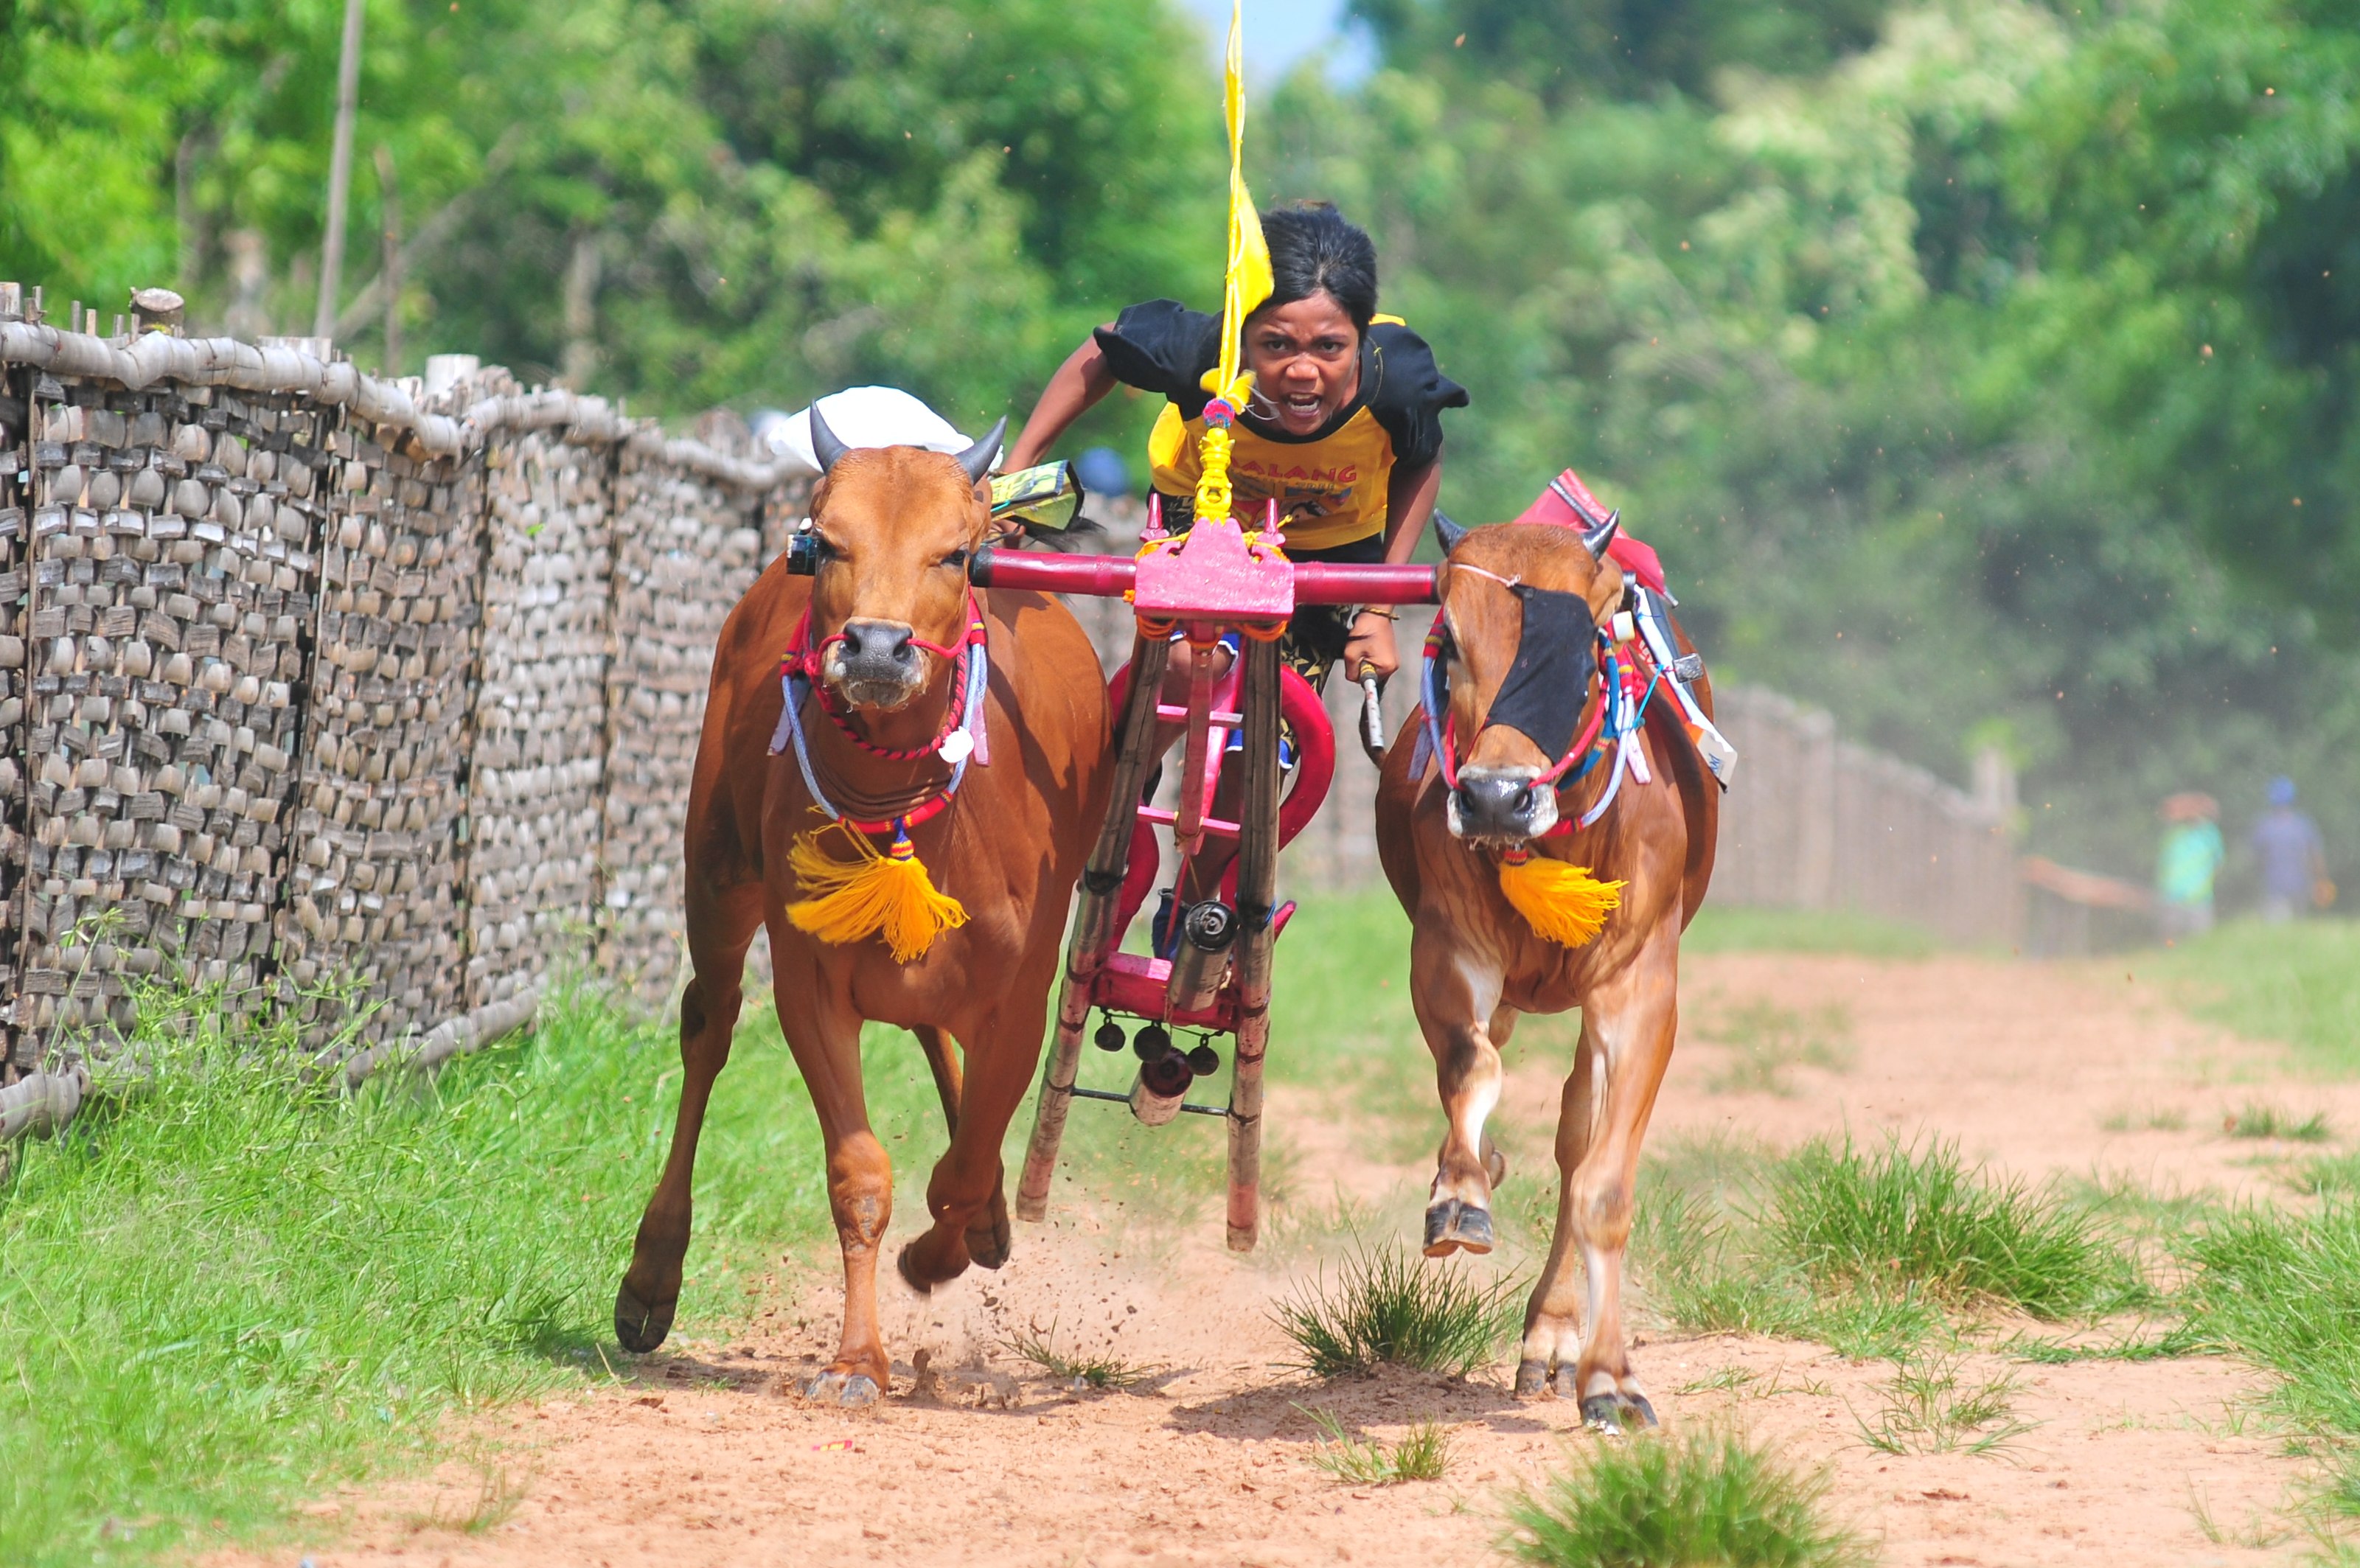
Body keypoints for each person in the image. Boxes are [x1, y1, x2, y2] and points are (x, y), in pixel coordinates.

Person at [1006, 201, 1467, 689]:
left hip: (1332, 541)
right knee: (1189, 664)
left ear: (1360, 336)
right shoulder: (1200, 356)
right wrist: (1015, 479)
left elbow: (1422, 458)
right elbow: (1104, 348)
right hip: (1202, 505)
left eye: (1329, 347)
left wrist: (1379, 609)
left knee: (1271, 722)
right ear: (1242, 338)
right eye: (1276, 346)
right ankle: (1136, 759)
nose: (1302, 370)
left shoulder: (1397, 381)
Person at [2252, 776, 2330, 921]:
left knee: (2278, 930)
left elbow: (2258, 858)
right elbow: (2316, 855)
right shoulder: (2304, 825)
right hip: (2302, 885)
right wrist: (2322, 880)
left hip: (2274, 886)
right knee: (2299, 926)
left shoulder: (2264, 826)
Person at [2153, 792, 2223, 941]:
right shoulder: (2174, 834)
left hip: (2198, 899)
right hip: (2173, 897)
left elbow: (2217, 863)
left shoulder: (2209, 834)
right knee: (2171, 943)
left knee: (2200, 944)